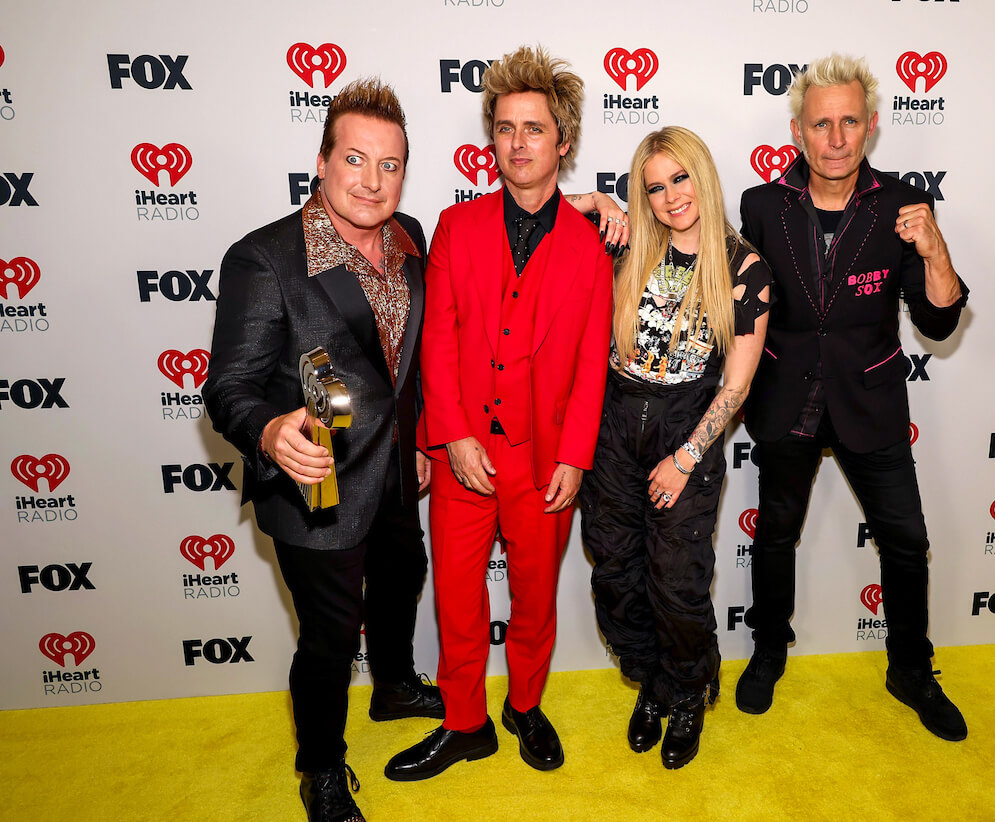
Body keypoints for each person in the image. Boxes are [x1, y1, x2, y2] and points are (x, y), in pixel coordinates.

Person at [203, 78, 443, 822]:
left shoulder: (410, 236)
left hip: (397, 468)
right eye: (355, 160)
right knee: (331, 637)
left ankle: (394, 685)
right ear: (322, 162)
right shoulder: (265, 258)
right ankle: (321, 768)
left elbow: (406, 361)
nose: (372, 181)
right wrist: (269, 431)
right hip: (317, 484)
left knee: (403, 579)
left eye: (390, 165)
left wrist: (419, 436)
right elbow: (229, 386)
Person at [384, 46, 613, 781]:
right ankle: (464, 723)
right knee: (456, 597)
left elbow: (592, 363)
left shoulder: (590, 249)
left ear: (562, 142)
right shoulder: (456, 226)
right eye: (506, 127)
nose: (518, 142)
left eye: (534, 128)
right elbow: (437, 340)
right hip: (464, 453)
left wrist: (576, 455)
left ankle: (525, 705)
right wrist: (451, 435)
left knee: (535, 598)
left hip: (545, 459)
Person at [735, 53, 970, 742]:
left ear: (870, 127)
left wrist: (934, 249)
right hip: (786, 397)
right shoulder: (760, 207)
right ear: (798, 131)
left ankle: (911, 670)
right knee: (775, 535)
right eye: (820, 124)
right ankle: (769, 652)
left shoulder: (903, 205)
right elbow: (735, 299)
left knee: (907, 541)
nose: (835, 139)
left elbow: (938, 323)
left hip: (871, 401)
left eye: (849, 123)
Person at [578, 127, 770, 769]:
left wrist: (686, 458)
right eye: (655, 187)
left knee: (676, 581)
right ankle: (652, 682)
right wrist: (596, 201)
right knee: (615, 571)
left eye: (680, 178)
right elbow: (538, 215)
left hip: (686, 427)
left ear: (702, 175)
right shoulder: (628, 245)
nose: (671, 196)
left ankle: (688, 692)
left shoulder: (743, 266)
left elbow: (737, 384)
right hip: (613, 425)